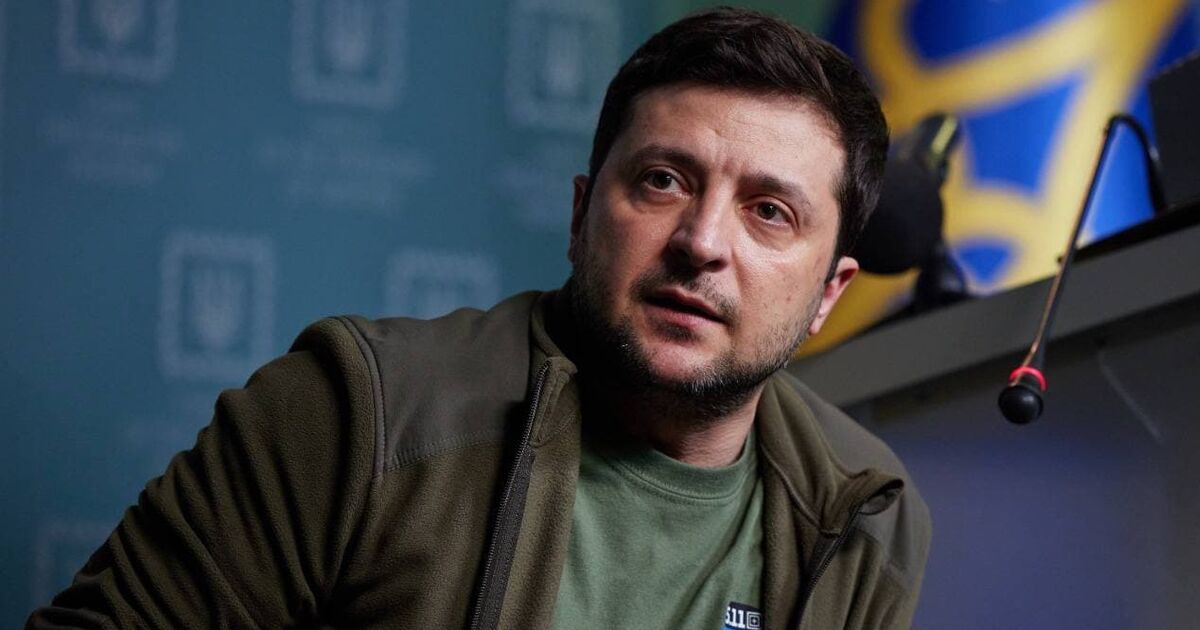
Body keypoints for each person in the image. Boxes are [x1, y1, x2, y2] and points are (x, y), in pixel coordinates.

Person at [29, 7, 930, 629]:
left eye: (769, 212)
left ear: (830, 292)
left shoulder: (865, 514)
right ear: (580, 216)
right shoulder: (357, 413)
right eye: (662, 181)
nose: (701, 242)